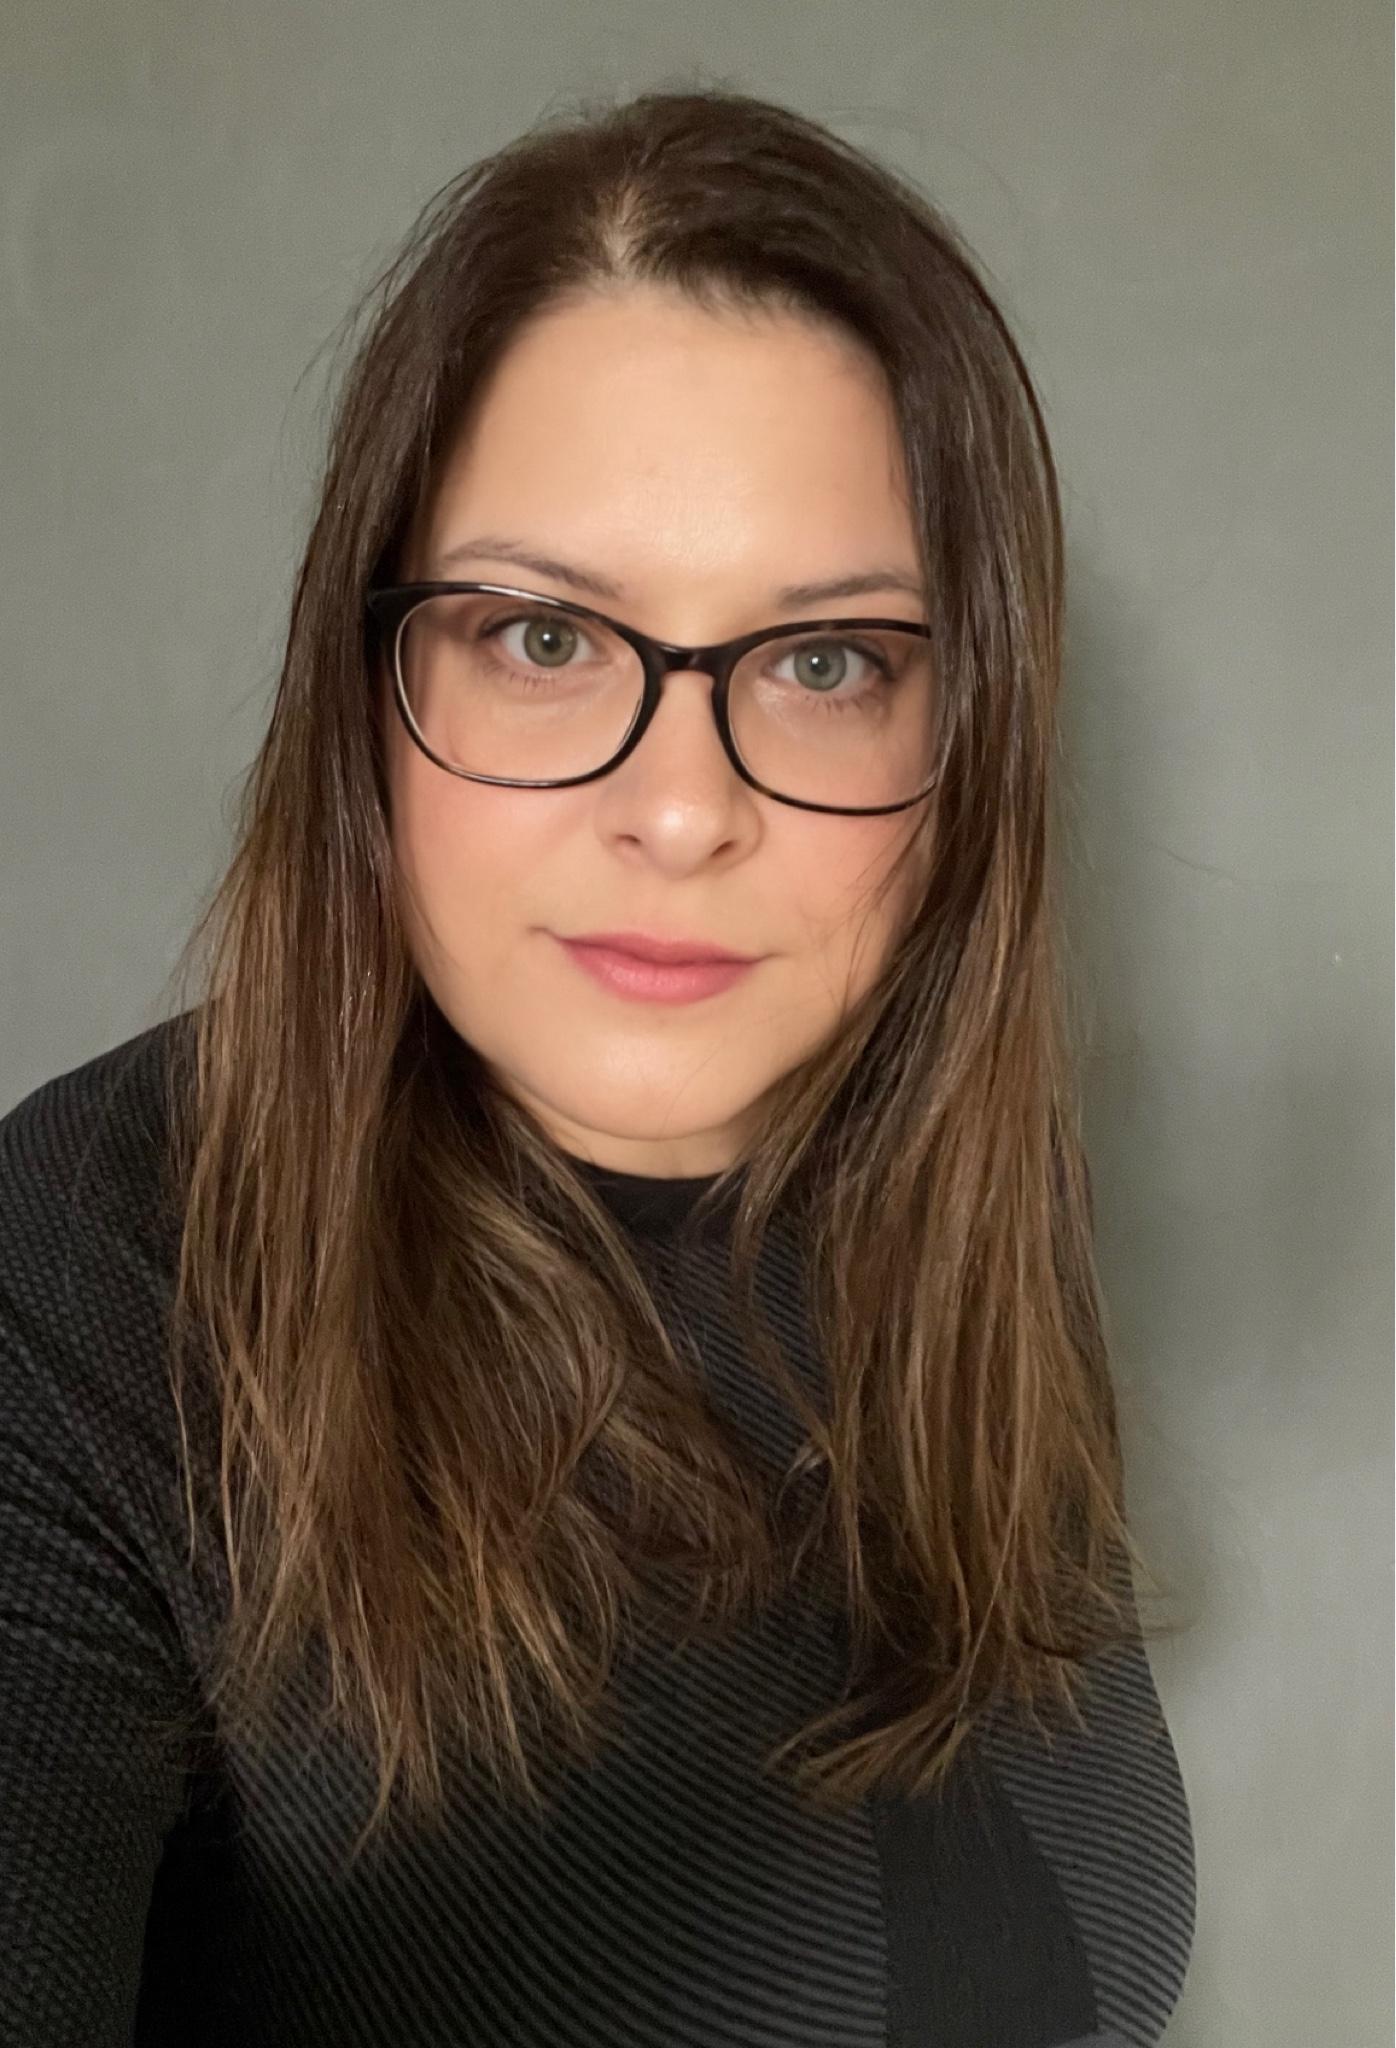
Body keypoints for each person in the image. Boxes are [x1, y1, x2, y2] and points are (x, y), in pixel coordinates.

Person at [0, 85, 1197, 2047]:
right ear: (368, 688)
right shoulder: (76, 1295)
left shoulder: (963, 1193)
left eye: (822, 663)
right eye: (545, 637)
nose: (680, 808)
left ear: (965, 744)